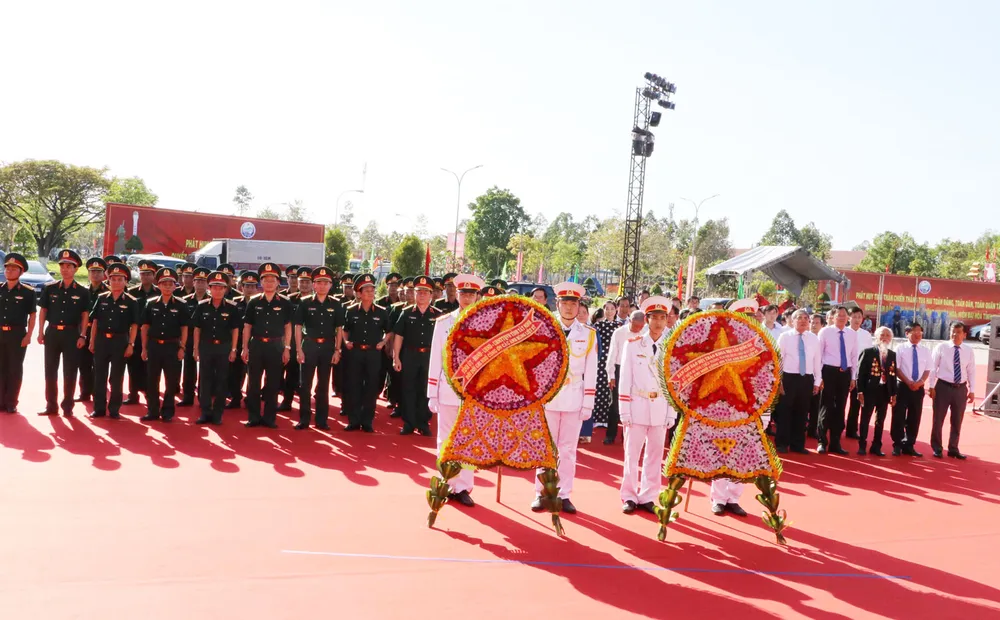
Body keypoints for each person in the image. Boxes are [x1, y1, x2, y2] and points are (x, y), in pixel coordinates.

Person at [530, 281, 598, 515]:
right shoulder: (544, 329)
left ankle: (564, 493)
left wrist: (588, 402)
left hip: (573, 398)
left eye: (573, 303)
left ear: (579, 306)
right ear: (556, 303)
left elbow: (591, 370)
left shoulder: (588, 334)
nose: (569, 307)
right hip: (548, 399)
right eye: (565, 302)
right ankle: (541, 492)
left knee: (568, 450)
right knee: (545, 447)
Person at [427, 274, 484, 507]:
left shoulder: (487, 324)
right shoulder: (443, 323)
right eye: (463, 294)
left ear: (477, 296)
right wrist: (432, 391)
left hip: (473, 393)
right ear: (457, 295)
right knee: (446, 439)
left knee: (469, 441)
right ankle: (446, 481)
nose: (467, 297)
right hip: (448, 389)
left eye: (471, 294)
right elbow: (435, 359)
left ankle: (463, 486)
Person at [618, 296, 676, 514]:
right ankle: (629, 495)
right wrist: (624, 410)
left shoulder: (670, 346)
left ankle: (649, 496)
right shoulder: (632, 345)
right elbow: (624, 379)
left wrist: (671, 411)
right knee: (632, 455)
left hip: (660, 406)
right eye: (654, 318)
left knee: (654, 455)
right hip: (637, 404)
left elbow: (672, 381)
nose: (659, 322)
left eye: (663, 318)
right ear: (647, 319)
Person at [37, 249, 90, 417]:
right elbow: (43, 311)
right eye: (62, 266)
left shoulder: (82, 291)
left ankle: (68, 406)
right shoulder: (50, 288)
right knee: (50, 370)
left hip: (72, 334)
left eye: (69, 266)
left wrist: (83, 335)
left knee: (70, 370)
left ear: (75, 269)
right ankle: (51, 405)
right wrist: (40, 332)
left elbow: (85, 315)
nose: (65, 269)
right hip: (52, 333)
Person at [242, 262, 293, 429]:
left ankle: (270, 418)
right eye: (266, 280)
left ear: (278, 282)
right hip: (256, 346)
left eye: (273, 280)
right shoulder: (254, 302)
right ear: (261, 283)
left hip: (276, 347)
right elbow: (247, 326)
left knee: (273, 385)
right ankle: (254, 417)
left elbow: (288, 327)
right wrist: (244, 348)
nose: (269, 283)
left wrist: (287, 348)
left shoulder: (285, 302)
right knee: (253, 384)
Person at [340, 273, 390, 432]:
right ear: (359, 293)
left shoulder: (381, 312)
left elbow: (389, 331)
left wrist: (383, 342)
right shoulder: (351, 310)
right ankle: (353, 420)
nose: (370, 293)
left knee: (371, 387)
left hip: (373, 354)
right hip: (355, 353)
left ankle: (367, 421)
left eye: (372, 291)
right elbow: (344, 329)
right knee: (353, 386)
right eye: (366, 291)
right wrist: (345, 341)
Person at [88, 263, 139, 419]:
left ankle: (115, 408)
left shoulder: (131, 301)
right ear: (108, 280)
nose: (116, 282)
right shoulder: (102, 298)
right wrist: (92, 341)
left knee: (116, 377)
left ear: (125, 281)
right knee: (99, 376)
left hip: (120, 341)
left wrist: (131, 344)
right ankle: (99, 408)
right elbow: (95, 321)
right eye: (113, 279)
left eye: (119, 279)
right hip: (102, 340)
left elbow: (134, 325)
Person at [294, 266, 341, 431]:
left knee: (323, 384)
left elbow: (339, 329)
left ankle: (322, 420)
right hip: (309, 345)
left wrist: (337, 350)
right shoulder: (305, 303)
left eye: (325, 283)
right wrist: (299, 349)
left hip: (328, 346)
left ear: (330, 285)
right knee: (304, 384)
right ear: (314, 285)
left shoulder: (335, 304)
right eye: (319, 283)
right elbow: (298, 326)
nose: (322, 286)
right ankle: (304, 419)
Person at [138, 268, 189, 422]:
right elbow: (145, 327)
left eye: (170, 284)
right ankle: (152, 411)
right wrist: (144, 348)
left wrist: (182, 347)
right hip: (154, 346)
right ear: (158, 285)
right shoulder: (150, 303)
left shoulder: (181, 304)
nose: (167, 287)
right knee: (152, 380)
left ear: (175, 286)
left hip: (172, 347)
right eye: (164, 284)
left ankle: (168, 411)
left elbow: (184, 328)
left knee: (171, 380)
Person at [392, 275, 440, 436]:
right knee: (408, 389)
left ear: (431, 295)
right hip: (410, 355)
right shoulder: (406, 313)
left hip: (429, 357)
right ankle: (408, 423)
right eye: (419, 292)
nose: (422, 295)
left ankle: (423, 422)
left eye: (425, 292)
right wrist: (396, 357)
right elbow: (399, 336)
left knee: (425, 390)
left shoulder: (438, 315)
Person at [192, 271, 240, 425]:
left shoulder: (232, 308)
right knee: (204, 380)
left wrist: (233, 349)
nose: (217, 290)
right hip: (206, 347)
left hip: (223, 348)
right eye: (214, 287)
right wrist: (195, 348)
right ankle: (205, 412)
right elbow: (197, 328)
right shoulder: (202, 306)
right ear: (209, 288)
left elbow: (235, 330)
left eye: (221, 288)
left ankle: (218, 413)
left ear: (225, 289)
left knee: (221, 381)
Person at [775, 309, 821, 454]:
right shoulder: (784, 337)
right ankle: (782, 443)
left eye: (805, 318)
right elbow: (778, 360)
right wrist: (779, 381)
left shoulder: (814, 338)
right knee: (784, 411)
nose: (802, 320)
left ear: (809, 322)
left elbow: (817, 361)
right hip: (788, 378)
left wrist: (817, 381)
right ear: (792, 321)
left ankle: (798, 444)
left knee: (801, 413)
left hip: (806, 378)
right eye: (799, 318)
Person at [928, 322, 975, 459]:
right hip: (942, 387)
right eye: (953, 332)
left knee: (957, 420)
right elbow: (932, 367)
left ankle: (953, 448)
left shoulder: (968, 350)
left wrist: (972, 390)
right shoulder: (941, 347)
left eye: (958, 332)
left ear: (964, 335)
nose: (955, 335)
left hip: (960, 389)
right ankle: (937, 447)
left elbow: (971, 370)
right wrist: (931, 386)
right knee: (938, 419)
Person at [816, 306, 858, 455]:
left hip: (844, 373)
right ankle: (822, 441)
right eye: (838, 315)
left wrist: (853, 377)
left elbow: (854, 356)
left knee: (841, 408)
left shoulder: (852, 334)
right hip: (828, 371)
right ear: (833, 317)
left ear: (848, 318)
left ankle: (836, 442)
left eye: (844, 315)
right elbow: (819, 355)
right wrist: (819, 377)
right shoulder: (825, 332)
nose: (841, 318)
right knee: (826, 407)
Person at [0, 253, 37, 414]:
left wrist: (29, 335)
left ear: (21, 272)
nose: (9, 271)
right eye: (7, 268)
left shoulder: (28, 292)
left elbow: (32, 315)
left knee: (14, 368)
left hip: (17, 334)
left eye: (14, 269)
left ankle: (11, 401)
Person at [604, 309, 645, 444]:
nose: (637, 329)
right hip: (619, 369)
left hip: (638, 370)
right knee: (614, 404)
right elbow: (612, 354)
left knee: (635, 404)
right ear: (630, 321)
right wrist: (611, 375)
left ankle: (627, 436)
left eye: (640, 327)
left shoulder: (646, 333)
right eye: (635, 326)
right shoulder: (619, 332)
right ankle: (611, 435)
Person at [855, 326, 897, 456]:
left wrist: (893, 393)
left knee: (880, 420)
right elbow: (860, 373)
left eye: (887, 336)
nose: (884, 338)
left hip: (884, 391)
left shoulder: (892, 354)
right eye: (882, 335)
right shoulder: (868, 352)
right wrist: (860, 391)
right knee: (865, 419)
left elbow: (893, 375)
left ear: (890, 339)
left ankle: (876, 446)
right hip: (869, 390)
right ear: (877, 337)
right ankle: (862, 445)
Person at [891, 322, 930, 456]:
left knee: (915, 417)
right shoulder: (900, 348)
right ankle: (897, 444)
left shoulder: (925, 350)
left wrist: (920, 382)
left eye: (920, 331)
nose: (917, 334)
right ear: (907, 333)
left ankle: (909, 445)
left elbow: (927, 370)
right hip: (902, 386)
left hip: (918, 388)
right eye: (914, 331)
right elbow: (897, 368)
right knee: (898, 416)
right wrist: (908, 382)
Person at [125, 259, 159, 405]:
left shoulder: (159, 292)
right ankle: (133, 394)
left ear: (154, 275)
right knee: (133, 365)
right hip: (135, 334)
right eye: (143, 274)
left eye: (148, 274)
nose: (145, 277)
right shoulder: (132, 292)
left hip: (152, 336)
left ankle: (150, 395)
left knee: (151, 367)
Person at [280, 266, 312, 411]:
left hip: (311, 343)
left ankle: (306, 406)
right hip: (292, 342)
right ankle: (287, 402)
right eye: (302, 281)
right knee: (291, 373)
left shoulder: (317, 300)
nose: (304, 285)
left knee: (308, 377)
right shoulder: (289, 300)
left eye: (307, 282)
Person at [77, 257, 108, 403]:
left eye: (98, 272)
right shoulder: (82, 291)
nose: (95, 275)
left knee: (98, 365)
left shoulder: (109, 292)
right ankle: (84, 392)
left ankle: (97, 393)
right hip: (84, 332)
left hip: (101, 333)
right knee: (83, 364)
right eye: (92, 271)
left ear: (104, 274)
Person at [179, 267, 209, 406]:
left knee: (205, 370)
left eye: (203, 281)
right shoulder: (185, 301)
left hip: (206, 339)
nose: (200, 284)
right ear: (193, 282)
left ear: (208, 284)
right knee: (189, 369)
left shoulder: (212, 300)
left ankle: (203, 398)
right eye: (198, 281)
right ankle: (187, 396)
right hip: (189, 338)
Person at [227, 271, 258, 409]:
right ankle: (235, 397)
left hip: (256, 342)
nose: (250, 289)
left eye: (252, 286)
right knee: (235, 373)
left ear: (256, 288)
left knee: (254, 373)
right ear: (241, 287)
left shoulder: (259, 303)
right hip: (238, 342)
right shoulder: (235, 304)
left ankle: (251, 398)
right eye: (247, 286)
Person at [845, 306, 872, 439]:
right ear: (848, 318)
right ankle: (836, 426)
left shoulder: (866, 335)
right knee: (840, 402)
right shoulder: (843, 332)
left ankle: (851, 429)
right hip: (845, 371)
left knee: (856, 403)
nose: (857, 320)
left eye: (859, 317)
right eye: (854, 317)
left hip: (860, 374)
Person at [807, 312, 826, 438]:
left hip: (818, 375)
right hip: (805, 375)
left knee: (816, 405)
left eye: (816, 323)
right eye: (812, 322)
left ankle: (812, 429)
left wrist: (820, 378)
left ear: (822, 325)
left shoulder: (822, 339)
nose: (813, 325)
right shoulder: (805, 336)